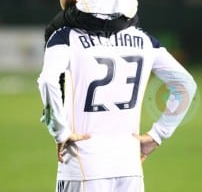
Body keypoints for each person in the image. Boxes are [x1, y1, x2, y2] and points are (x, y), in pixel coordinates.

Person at [38, 24, 197, 192]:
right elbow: (185, 85)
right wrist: (158, 134)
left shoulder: (67, 36)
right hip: (129, 165)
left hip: (84, 161)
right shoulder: (144, 39)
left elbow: (48, 81)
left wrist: (59, 130)